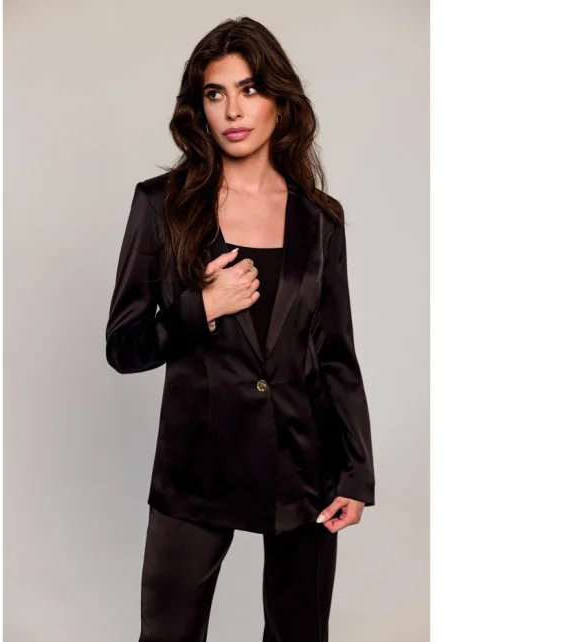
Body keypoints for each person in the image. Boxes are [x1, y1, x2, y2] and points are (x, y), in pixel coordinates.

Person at [105, 16, 375, 642]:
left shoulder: (320, 220)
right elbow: (123, 345)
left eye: (250, 89)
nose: (233, 110)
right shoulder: (162, 205)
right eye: (215, 93)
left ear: (280, 100)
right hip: (195, 469)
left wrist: (355, 473)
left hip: (305, 467)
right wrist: (201, 307)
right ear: (198, 108)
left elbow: (336, 354)